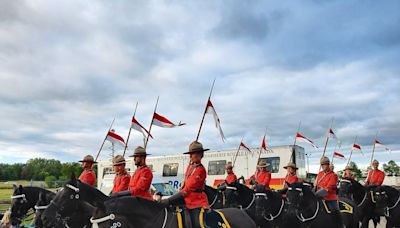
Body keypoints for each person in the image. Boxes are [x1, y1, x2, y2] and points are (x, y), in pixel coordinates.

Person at [162, 141, 209, 226]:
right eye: (190, 154)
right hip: (186, 200)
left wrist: (169, 200)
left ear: (200, 154)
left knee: (196, 223)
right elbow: (184, 186)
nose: (190, 156)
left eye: (193, 154)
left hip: (196, 202)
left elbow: (187, 190)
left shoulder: (200, 170)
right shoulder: (190, 167)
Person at [314, 156, 341, 226]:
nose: (322, 166)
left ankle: (339, 225)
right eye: (321, 164)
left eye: (324, 164)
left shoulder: (333, 175)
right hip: (319, 197)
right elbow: (316, 185)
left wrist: (316, 194)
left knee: (335, 210)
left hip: (330, 198)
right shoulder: (320, 174)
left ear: (328, 164)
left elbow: (328, 188)